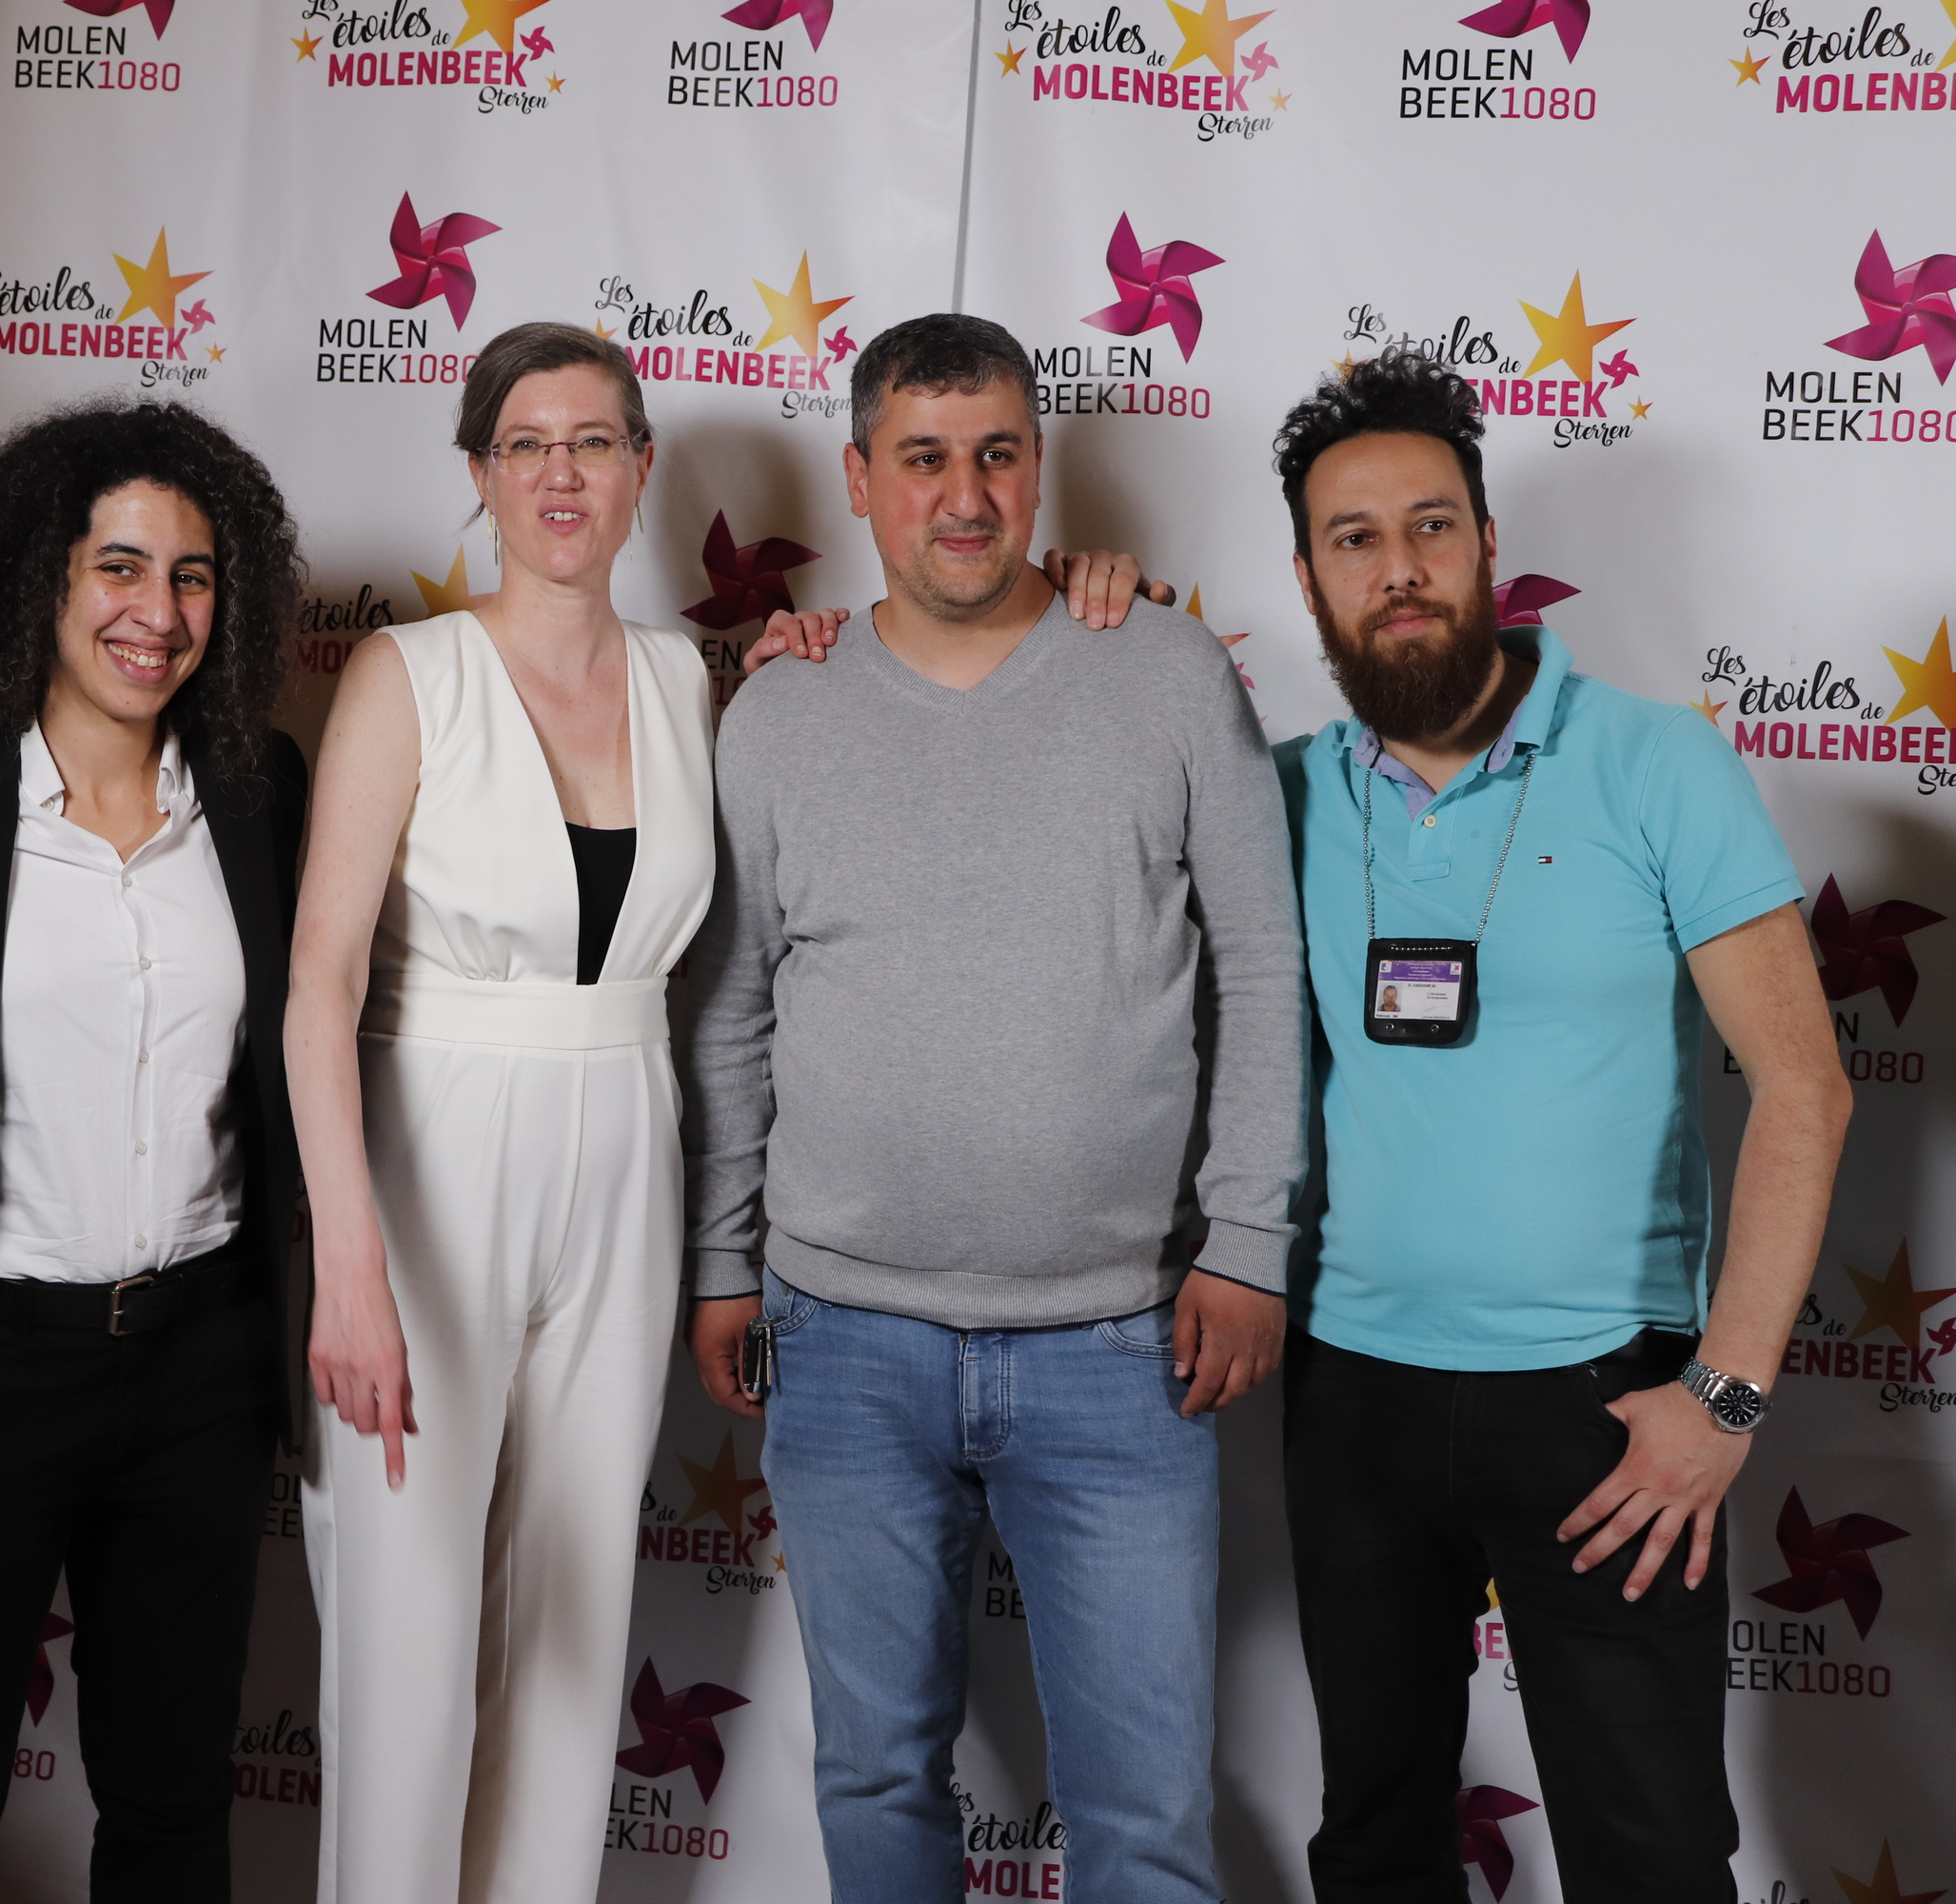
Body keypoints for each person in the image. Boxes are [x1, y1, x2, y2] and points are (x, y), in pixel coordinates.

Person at [682, 310, 1308, 1903]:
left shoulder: (1165, 672)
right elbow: (733, 1008)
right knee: (876, 1776)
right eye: (923, 459)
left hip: (1120, 1346)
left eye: (997, 455)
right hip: (841, 1343)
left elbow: (1260, 964)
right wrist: (722, 1261)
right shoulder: (781, 709)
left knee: (1145, 1815)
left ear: (1039, 468)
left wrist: (1248, 1240)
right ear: (860, 480)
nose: (963, 497)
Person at [1266, 348, 1848, 1902]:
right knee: (1375, 1840)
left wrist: (1724, 1397)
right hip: (1353, 1396)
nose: (1399, 568)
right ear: (1310, 581)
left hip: (1606, 1402)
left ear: (1484, 541)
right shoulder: (1279, 796)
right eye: (1354, 539)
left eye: (1431, 526)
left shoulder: (1657, 762)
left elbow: (1806, 1085)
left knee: (1649, 1853)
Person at [0, 401, 308, 1903]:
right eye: (119, 566)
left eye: (192, 575)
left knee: (173, 1799)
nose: (156, 612)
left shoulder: (263, 790)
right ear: (41, 575)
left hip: (199, 1367)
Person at [282, 321, 717, 1904]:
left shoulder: (689, 680)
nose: (561, 474)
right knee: (406, 1639)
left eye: (594, 440)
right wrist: (350, 1265)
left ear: (641, 467)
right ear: (479, 471)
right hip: (430, 1166)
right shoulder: (408, 674)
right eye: (526, 444)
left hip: (632, 1152)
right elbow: (318, 983)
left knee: (572, 1629)